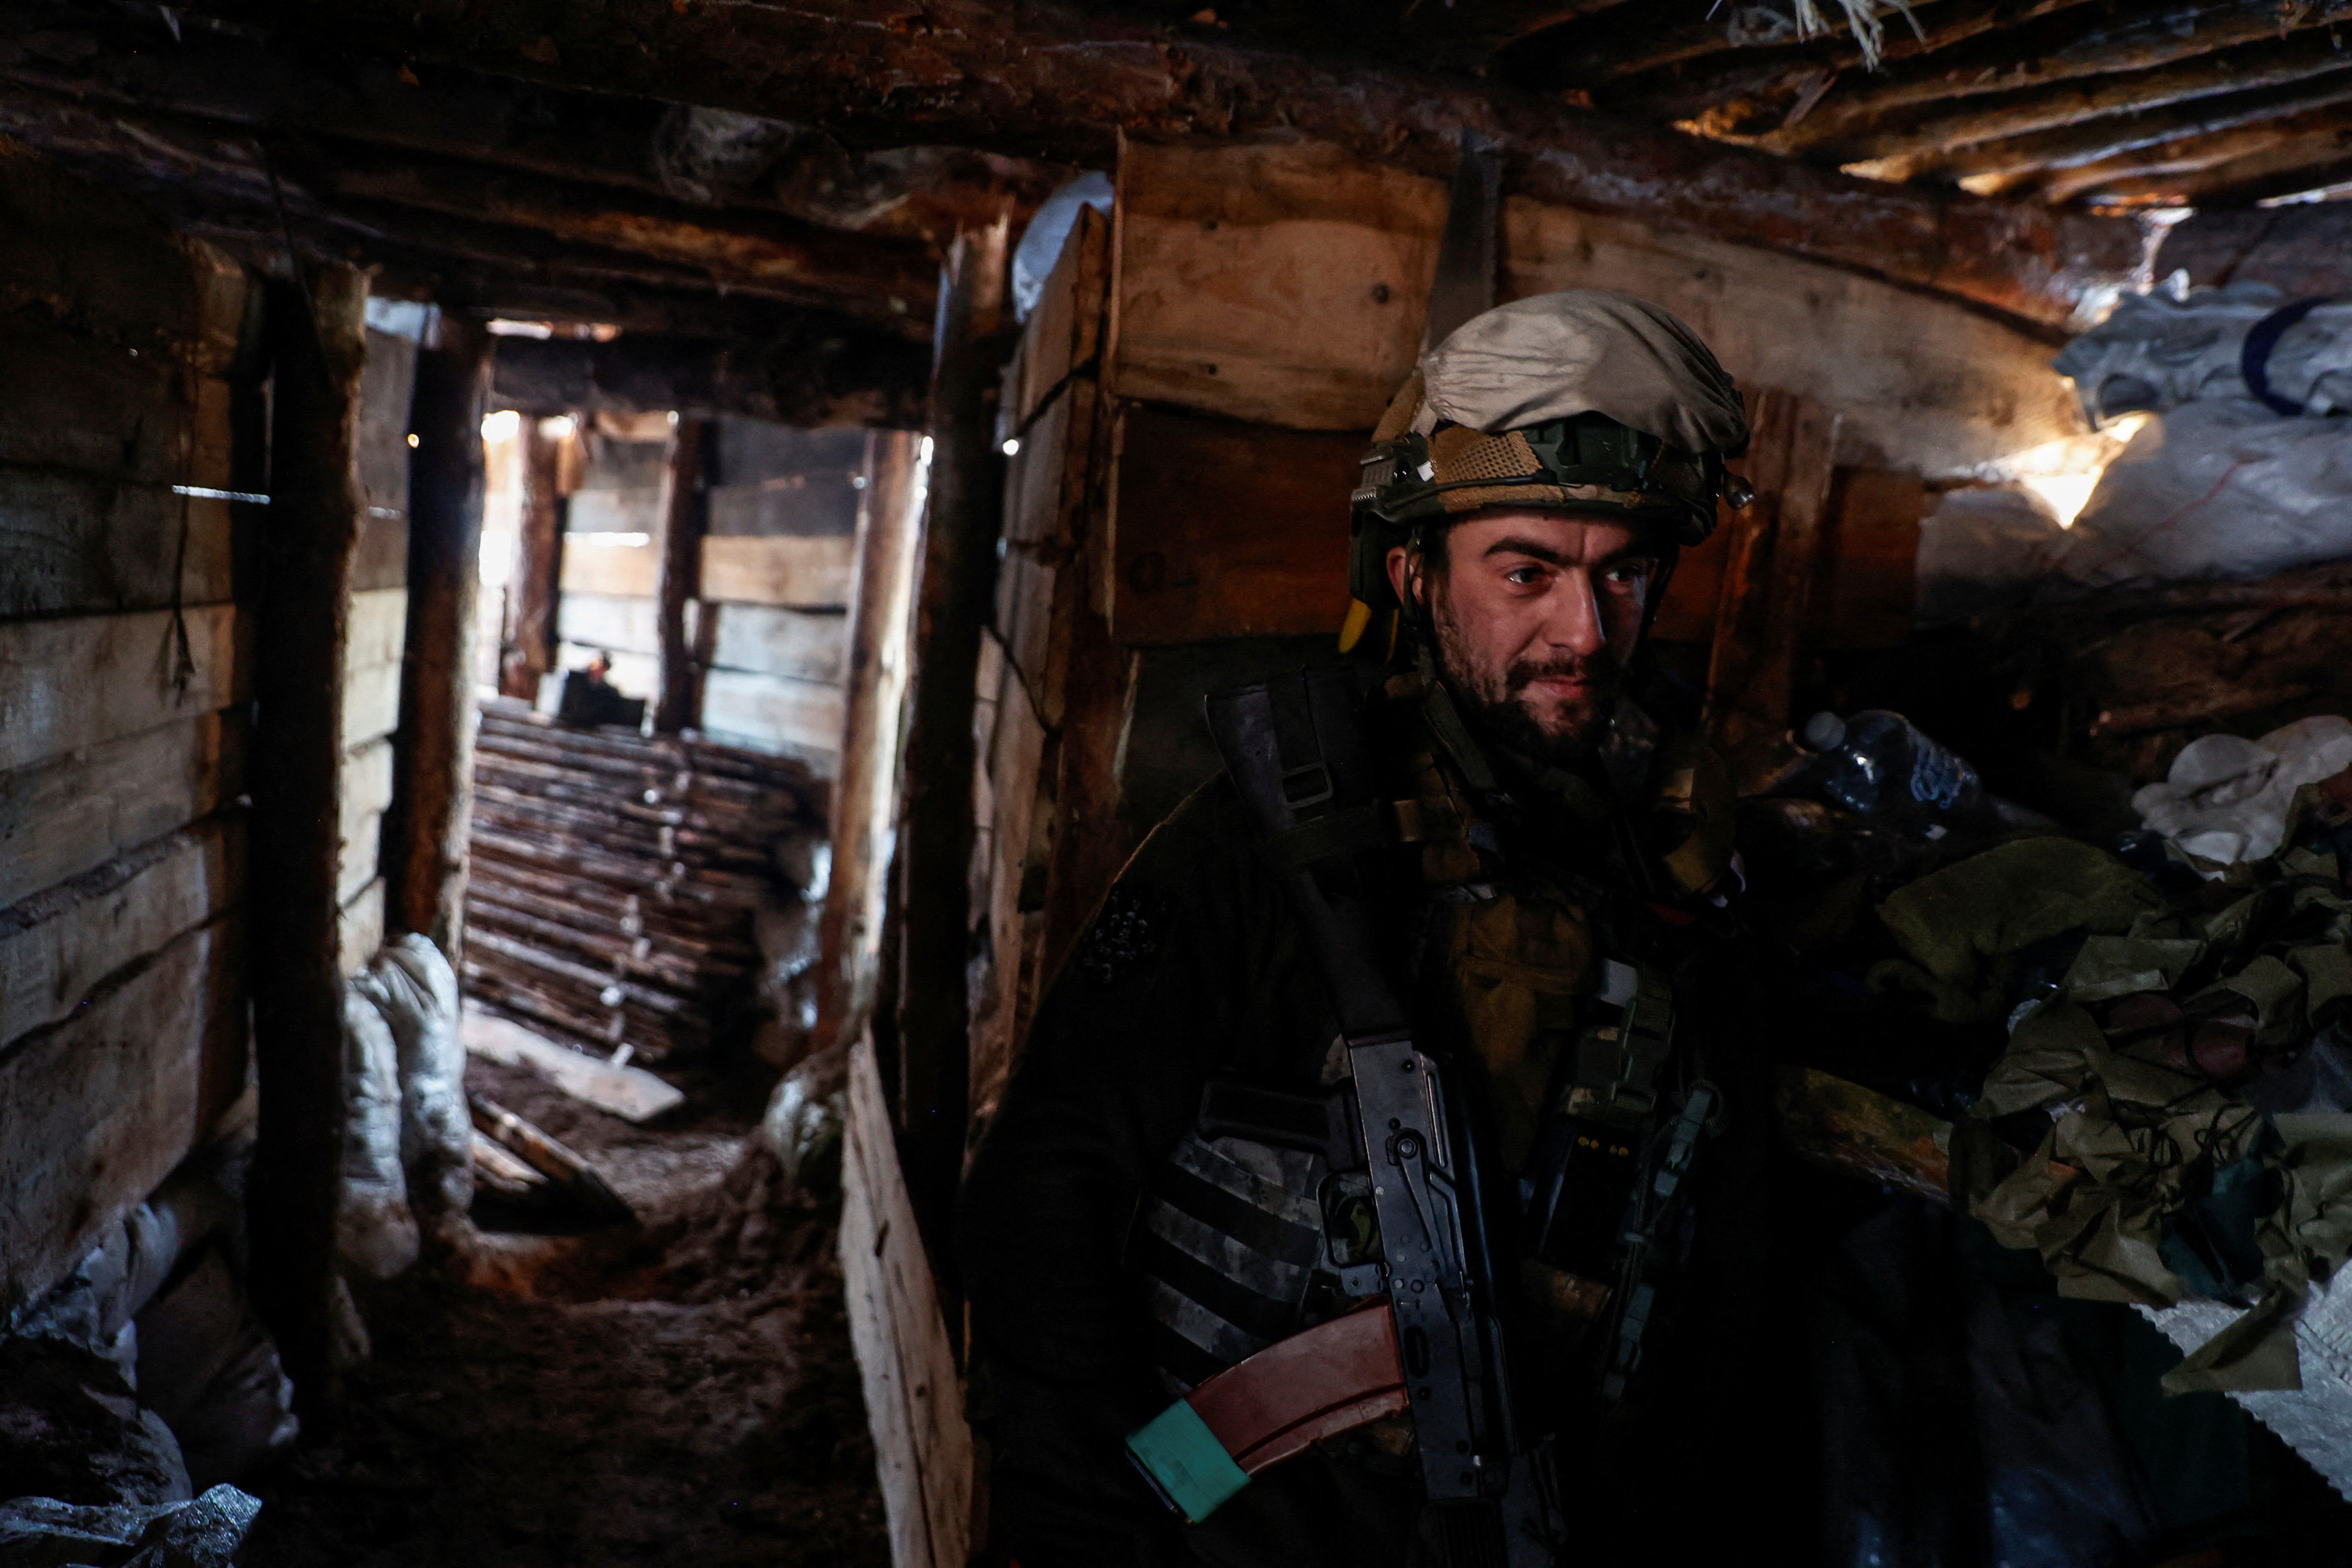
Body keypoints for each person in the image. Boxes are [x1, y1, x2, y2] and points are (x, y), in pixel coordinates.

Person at [958, 291, 1798, 1568]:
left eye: (1622, 572)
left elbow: (1730, 1267)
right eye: (1526, 572)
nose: (1584, 630)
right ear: (1414, 577)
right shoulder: (1261, 851)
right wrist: (1085, 1527)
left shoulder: (1681, 867)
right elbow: (1042, 1206)